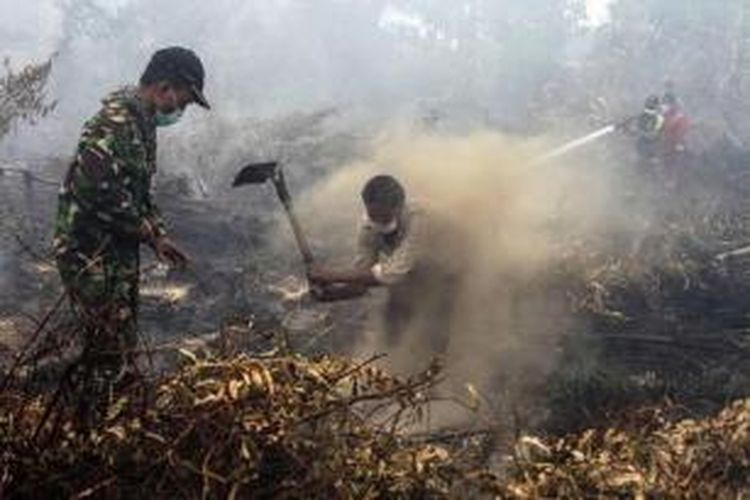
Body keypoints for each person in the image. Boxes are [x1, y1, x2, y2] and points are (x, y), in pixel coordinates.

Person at [53, 46, 210, 395]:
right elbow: (95, 188)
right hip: (89, 255)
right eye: (183, 102)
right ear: (165, 86)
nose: (181, 110)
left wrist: (159, 237)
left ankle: (114, 415)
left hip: (116, 254)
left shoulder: (142, 125)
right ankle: (91, 424)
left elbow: (140, 192)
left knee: (121, 342)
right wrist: (142, 229)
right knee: (107, 349)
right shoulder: (112, 123)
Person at [309, 175, 460, 356]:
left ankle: (434, 369)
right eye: (374, 215)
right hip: (406, 271)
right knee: (392, 326)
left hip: (444, 268)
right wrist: (330, 295)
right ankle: (394, 367)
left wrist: (329, 275)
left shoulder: (419, 219)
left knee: (435, 328)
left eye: (385, 216)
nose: (379, 222)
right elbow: (361, 281)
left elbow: (392, 274)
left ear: (399, 207)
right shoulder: (368, 228)